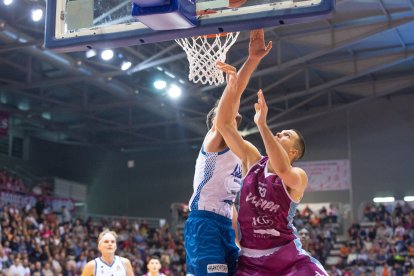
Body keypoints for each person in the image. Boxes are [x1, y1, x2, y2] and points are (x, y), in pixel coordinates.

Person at [215, 61, 328, 275]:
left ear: (294, 153)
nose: (278, 134)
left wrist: (262, 125)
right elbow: (223, 126)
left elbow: (283, 170)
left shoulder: (297, 176)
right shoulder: (252, 160)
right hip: (250, 261)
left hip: (288, 259)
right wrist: (231, 90)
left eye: (286, 135)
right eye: (279, 132)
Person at [185, 29, 272, 276]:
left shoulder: (241, 150)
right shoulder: (213, 139)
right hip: (204, 222)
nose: (234, 114)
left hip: (224, 226)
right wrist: (252, 60)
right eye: (228, 114)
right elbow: (230, 105)